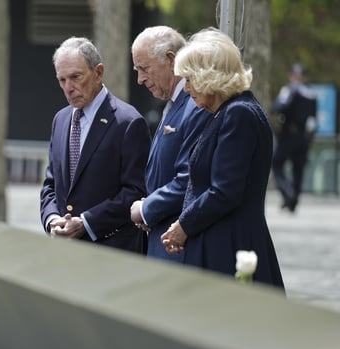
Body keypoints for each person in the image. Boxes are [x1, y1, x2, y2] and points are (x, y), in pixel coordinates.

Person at [160, 28, 284, 287]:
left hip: (229, 248)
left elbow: (225, 190)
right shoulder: (227, 112)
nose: (188, 89)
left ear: (210, 76)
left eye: (190, 80)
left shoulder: (239, 114)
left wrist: (184, 226)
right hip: (221, 243)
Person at [40, 36, 150, 253]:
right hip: (65, 251)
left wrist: (86, 222)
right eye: (62, 80)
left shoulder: (128, 122)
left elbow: (135, 191)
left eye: (76, 77)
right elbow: (51, 185)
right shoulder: (60, 120)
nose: (68, 88)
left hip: (112, 250)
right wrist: (52, 220)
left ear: (99, 72)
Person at [129, 26, 210, 262]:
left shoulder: (195, 103)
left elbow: (190, 178)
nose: (140, 79)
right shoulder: (174, 103)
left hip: (179, 246)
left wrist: (146, 209)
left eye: (144, 69)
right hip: (164, 239)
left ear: (171, 59)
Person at [271, 63, 318, 213]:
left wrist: (274, 112)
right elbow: (313, 119)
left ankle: (288, 191)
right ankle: (293, 201)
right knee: (298, 169)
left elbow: (279, 107)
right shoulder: (311, 94)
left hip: (289, 133)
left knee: (277, 164)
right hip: (303, 136)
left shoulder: (289, 90)